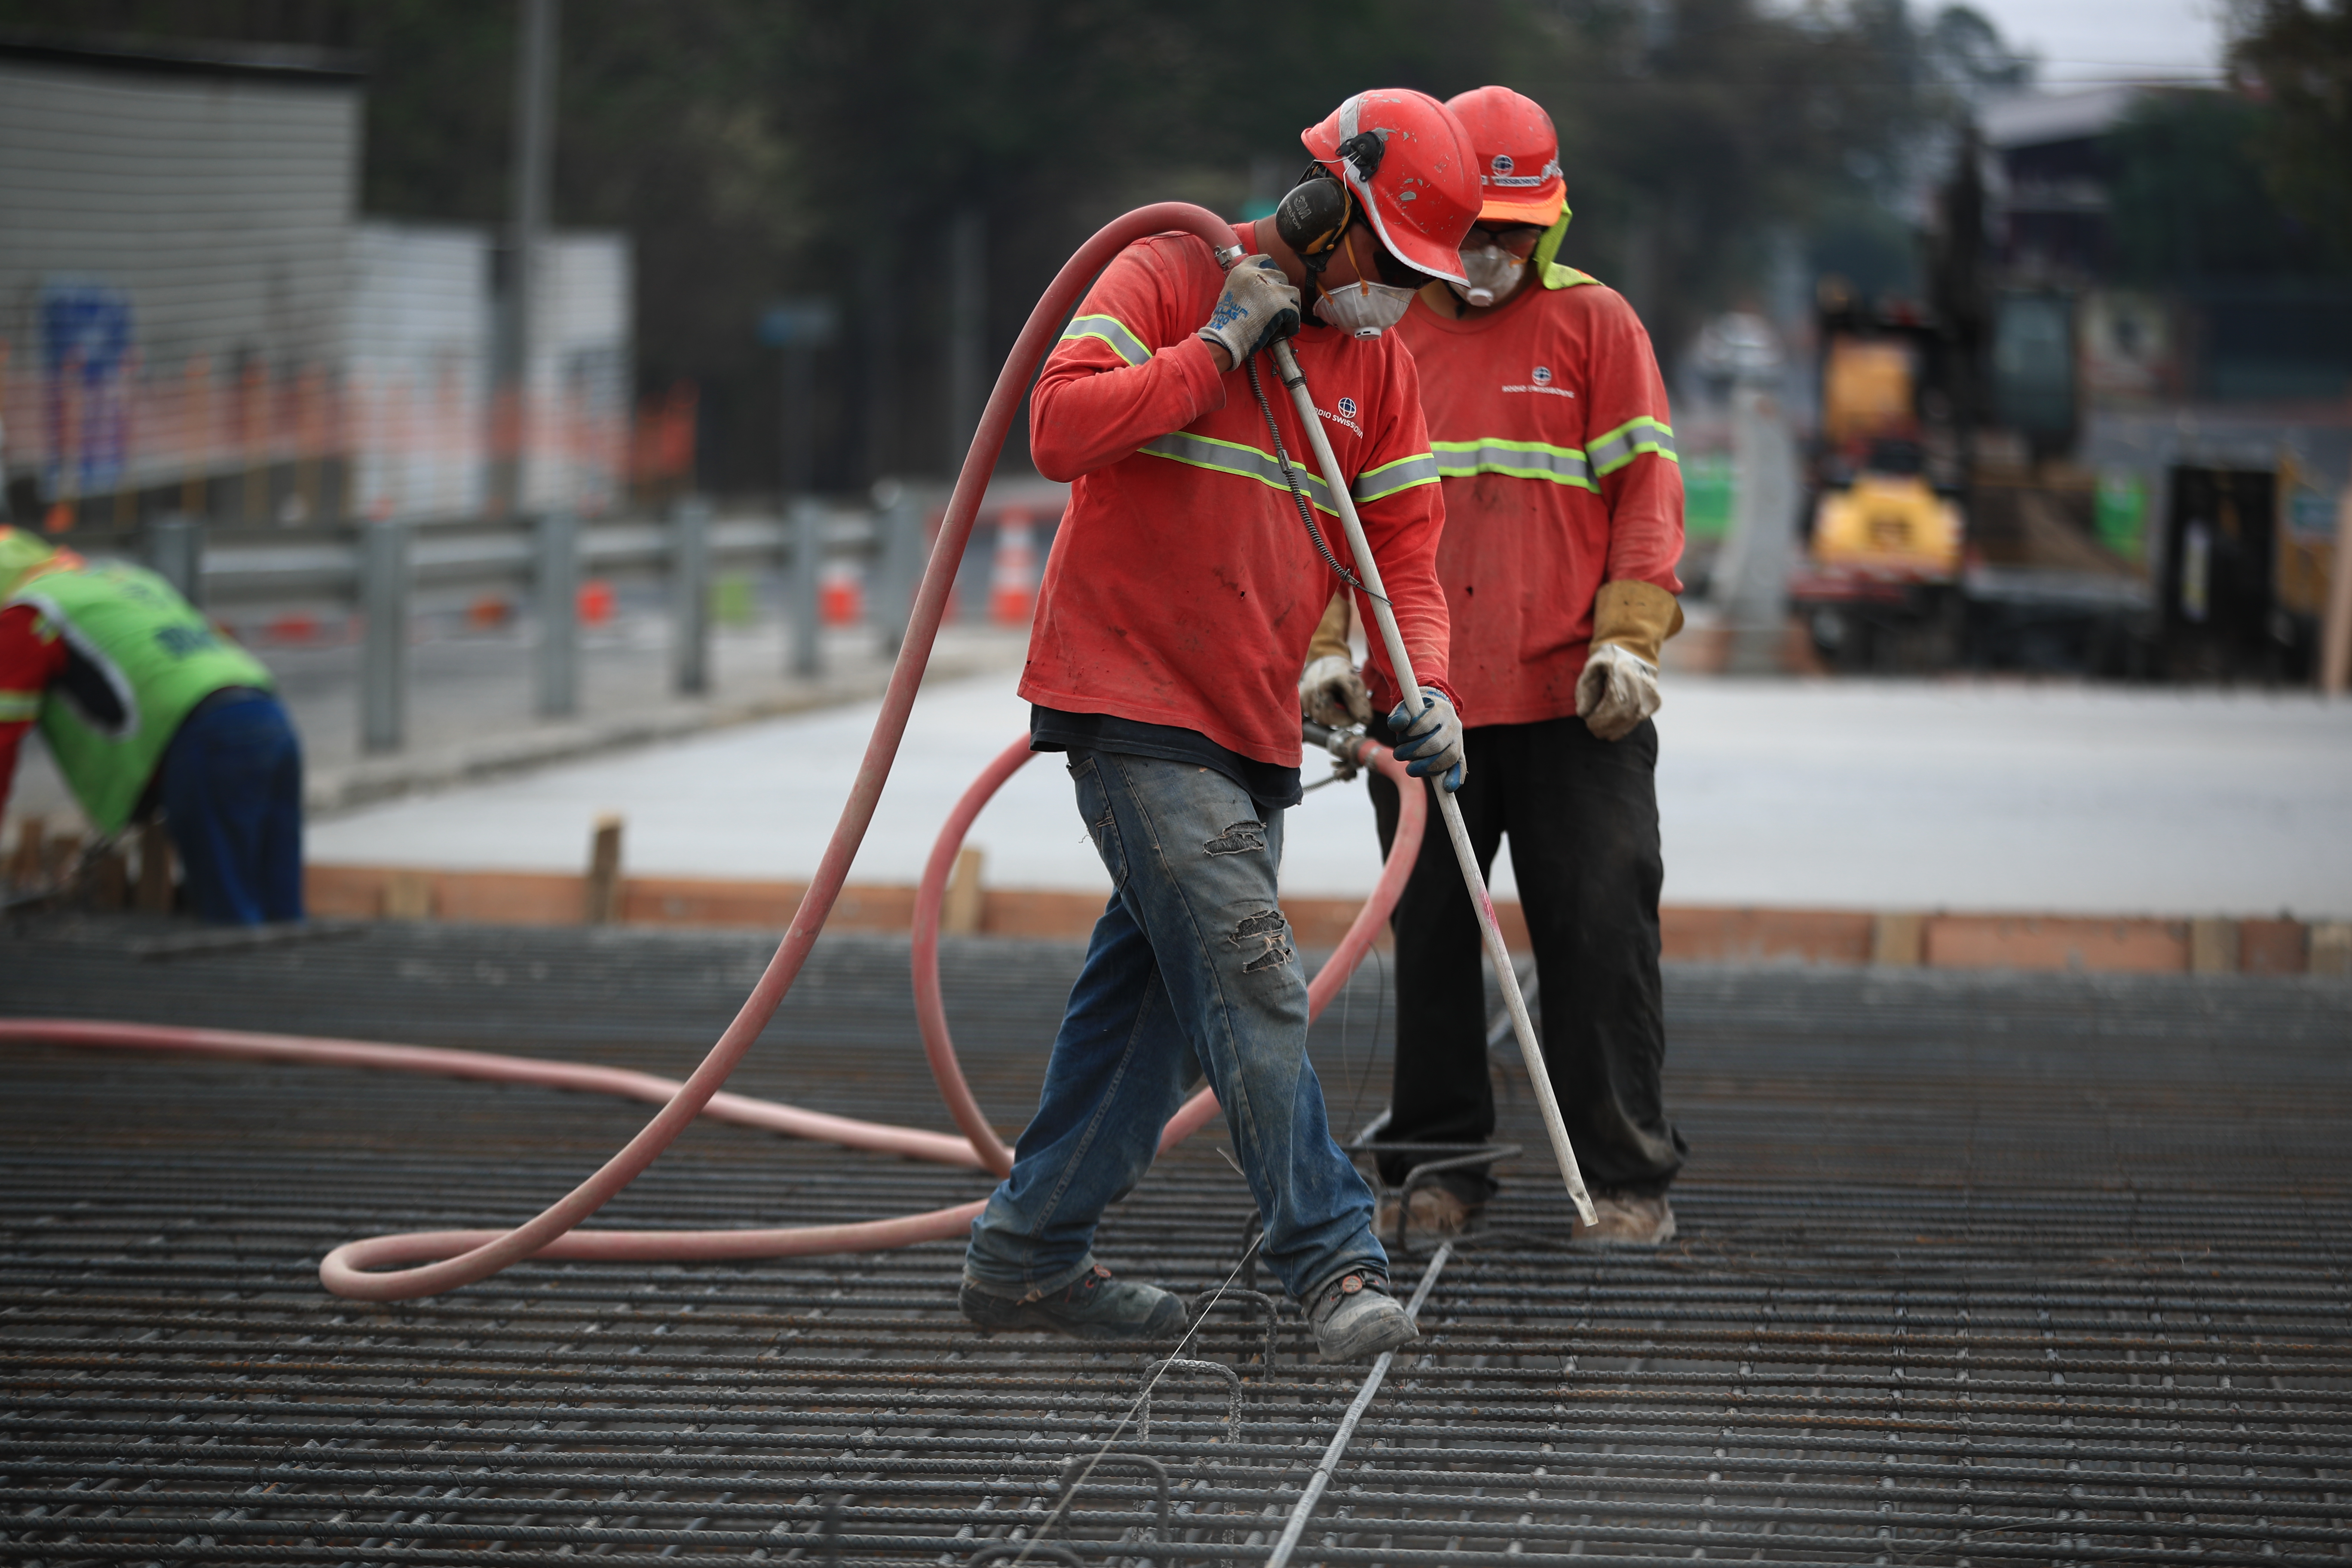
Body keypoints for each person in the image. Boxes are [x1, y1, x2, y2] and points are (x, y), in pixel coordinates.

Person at [960, 89, 1480, 1362]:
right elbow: (1059, 427)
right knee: (1251, 970)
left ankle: (1029, 1259)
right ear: (1321, 207)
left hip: (1247, 726)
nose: (1399, 299)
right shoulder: (1165, 274)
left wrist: (1427, 684)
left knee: (1145, 1018)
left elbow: (1402, 558)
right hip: (1127, 698)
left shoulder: (1379, 373)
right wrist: (1219, 348)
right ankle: (1334, 1263)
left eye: (1422, 277)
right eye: (1391, 263)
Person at [1299, 86, 1688, 1245]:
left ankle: (1623, 1176)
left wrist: (1630, 638)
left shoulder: (1599, 327)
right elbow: (1333, 511)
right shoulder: (1385, 334)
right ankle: (1439, 1170)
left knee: (1599, 924)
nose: (1487, 256)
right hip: (1421, 709)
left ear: (1547, 227)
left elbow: (1649, 500)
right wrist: (1328, 653)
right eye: (1472, 233)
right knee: (1429, 941)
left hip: (1579, 707)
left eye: (1511, 236)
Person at [0, 526, 304, 924]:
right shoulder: (115, 580)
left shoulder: (28, 616)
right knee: (283, 914)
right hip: (270, 719)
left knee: (229, 922)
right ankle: (280, 979)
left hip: (207, 739)